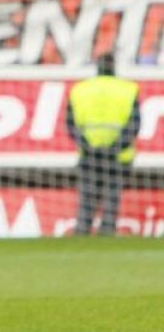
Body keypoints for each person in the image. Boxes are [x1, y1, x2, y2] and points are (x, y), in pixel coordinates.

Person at [68, 53, 138, 236]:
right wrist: (115, 147)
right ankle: (107, 233)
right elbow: (135, 124)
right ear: (114, 66)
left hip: (88, 156)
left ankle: (82, 232)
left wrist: (87, 146)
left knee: (87, 200)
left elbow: (70, 124)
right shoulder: (128, 89)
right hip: (118, 157)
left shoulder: (80, 89)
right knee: (112, 200)